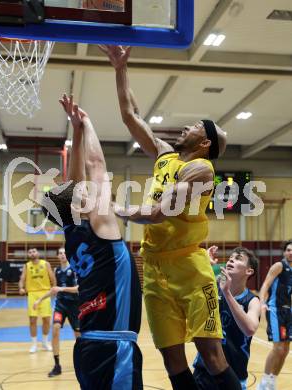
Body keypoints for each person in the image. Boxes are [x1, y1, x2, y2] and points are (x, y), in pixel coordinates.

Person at [100, 44, 241, 390]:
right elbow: (131, 116)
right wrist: (120, 68)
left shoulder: (201, 169)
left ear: (205, 141)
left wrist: (114, 208)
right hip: (155, 268)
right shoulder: (165, 156)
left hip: (190, 270)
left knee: (211, 355)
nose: (185, 127)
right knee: (171, 360)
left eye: (194, 126)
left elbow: (158, 213)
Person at [41, 94, 143, 389]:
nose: (84, 192)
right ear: (77, 207)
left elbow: (73, 184)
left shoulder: (73, 235)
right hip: (114, 347)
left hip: (87, 346)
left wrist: (75, 132)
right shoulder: (102, 228)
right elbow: (96, 165)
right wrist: (86, 121)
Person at [194, 246, 261, 389]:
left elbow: (249, 329)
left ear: (249, 271)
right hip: (204, 369)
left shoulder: (252, 301)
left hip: (233, 374)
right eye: (231, 258)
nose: (231, 260)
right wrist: (204, 262)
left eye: (238, 259)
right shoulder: (214, 287)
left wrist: (227, 294)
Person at [33, 247, 80, 377]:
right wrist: (40, 300)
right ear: (58, 256)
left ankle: (82, 362)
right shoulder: (57, 270)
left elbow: (77, 289)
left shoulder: (74, 270)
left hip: (74, 306)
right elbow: (54, 290)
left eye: (65, 252)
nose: (63, 255)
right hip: (61, 305)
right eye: (60, 253)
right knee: (55, 330)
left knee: (78, 336)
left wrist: (62, 289)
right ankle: (57, 365)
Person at [257, 240, 292, 390]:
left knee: (285, 350)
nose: (291, 252)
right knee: (277, 348)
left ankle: (272, 380)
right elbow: (265, 285)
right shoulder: (279, 266)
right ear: (284, 252)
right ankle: (264, 381)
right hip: (275, 310)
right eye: (289, 250)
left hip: (288, 311)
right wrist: (261, 302)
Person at [18, 247, 56, 353]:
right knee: (32, 320)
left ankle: (45, 342)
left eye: (34, 251)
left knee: (46, 320)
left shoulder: (46, 264)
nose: (32, 253)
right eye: (30, 252)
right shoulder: (27, 266)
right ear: (28, 255)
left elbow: (52, 277)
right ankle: (34, 344)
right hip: (32, 294)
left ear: (38, 253)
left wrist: (54, 288)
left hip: (45, 293)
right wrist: (21, 287)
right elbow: (22, 279)